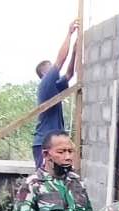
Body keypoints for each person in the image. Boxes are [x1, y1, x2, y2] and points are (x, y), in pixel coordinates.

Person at [33, 20, 79, 169]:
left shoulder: (55, 87)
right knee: (45, 180)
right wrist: (69, 34)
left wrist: (74, 51)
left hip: (54, 143)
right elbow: (60, 61)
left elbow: (69, 74)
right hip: (44, 144)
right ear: (45, 74)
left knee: (59, 179)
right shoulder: (46, 85)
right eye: (51, 68)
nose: (55, 70)